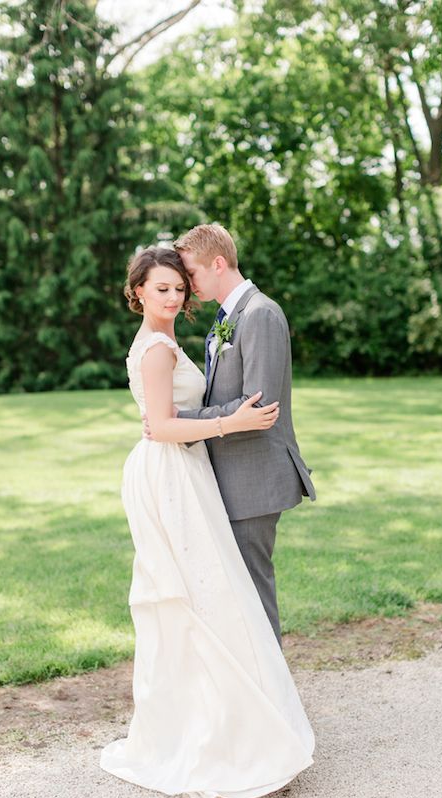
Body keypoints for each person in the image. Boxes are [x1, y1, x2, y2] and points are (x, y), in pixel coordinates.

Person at [99, 246, 314, 798]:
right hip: (171, 474)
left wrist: (229, 420)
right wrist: (233, 420)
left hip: (189, 471)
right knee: (194, 597)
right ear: (138, 292)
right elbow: (162, 426)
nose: (173, 297)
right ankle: (218, 724)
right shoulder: (156, 351)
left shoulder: (171, 342)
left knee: (211, 596)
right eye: (162, 288)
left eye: (178, 288)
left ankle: (238, 716)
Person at [172, 224, 316, 646]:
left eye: (192, 274)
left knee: (253, 594)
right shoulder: (226, 318)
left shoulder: (260, 314)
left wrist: (186, 420)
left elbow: (260, 406)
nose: (188, 285)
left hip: (254, 478)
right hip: (231, 476)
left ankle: (272, 703)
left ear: (218, 263)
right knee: (235, 595)